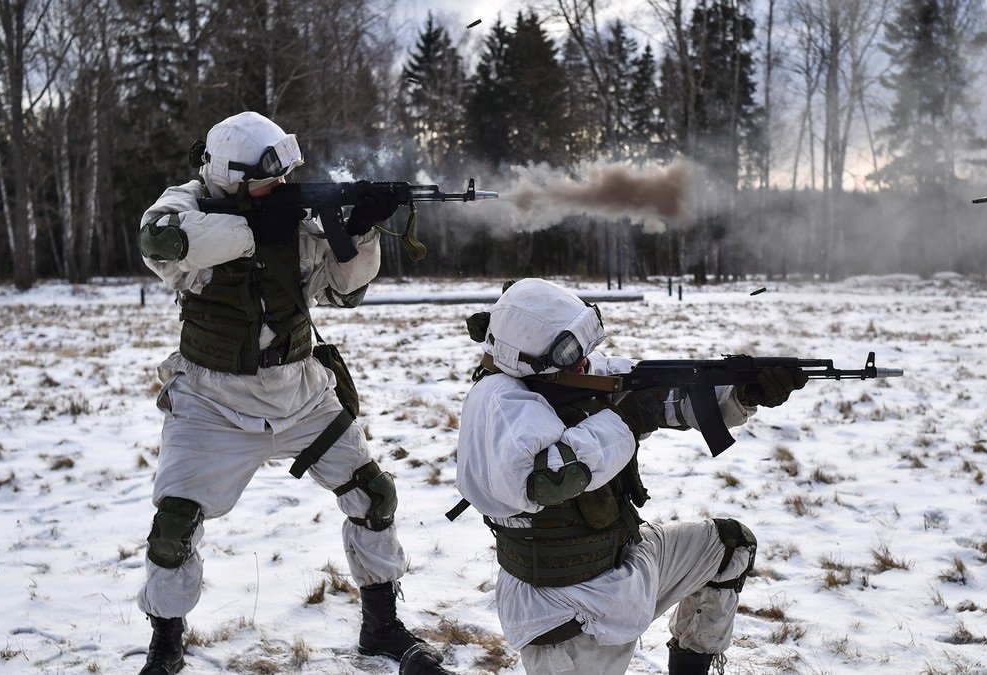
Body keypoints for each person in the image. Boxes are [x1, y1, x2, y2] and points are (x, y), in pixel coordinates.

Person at [134, 111, 453, 675]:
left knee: (372, 494)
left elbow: (343, 290)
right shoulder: (181, 205)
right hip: (212, 402)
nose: (279, 188)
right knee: (174, 526)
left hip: (300, 391)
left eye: (284, 179)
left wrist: (361, 227)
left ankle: (381, 627)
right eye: (266, 180)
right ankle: (166, 641)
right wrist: (262, 225)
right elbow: (164, 242)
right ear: (229, 177)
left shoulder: (293, 217)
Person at [454, 278, 807, 675]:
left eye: (584, 350)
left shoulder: (573, 376)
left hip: (625, 570)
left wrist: (742, 392)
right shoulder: (499, 406)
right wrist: (625, 421)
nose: (583, 362)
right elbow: (549, 479)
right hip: (565, 618)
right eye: (570, 355)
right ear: (527, 357)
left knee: (728, 547)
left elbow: (665, 399)